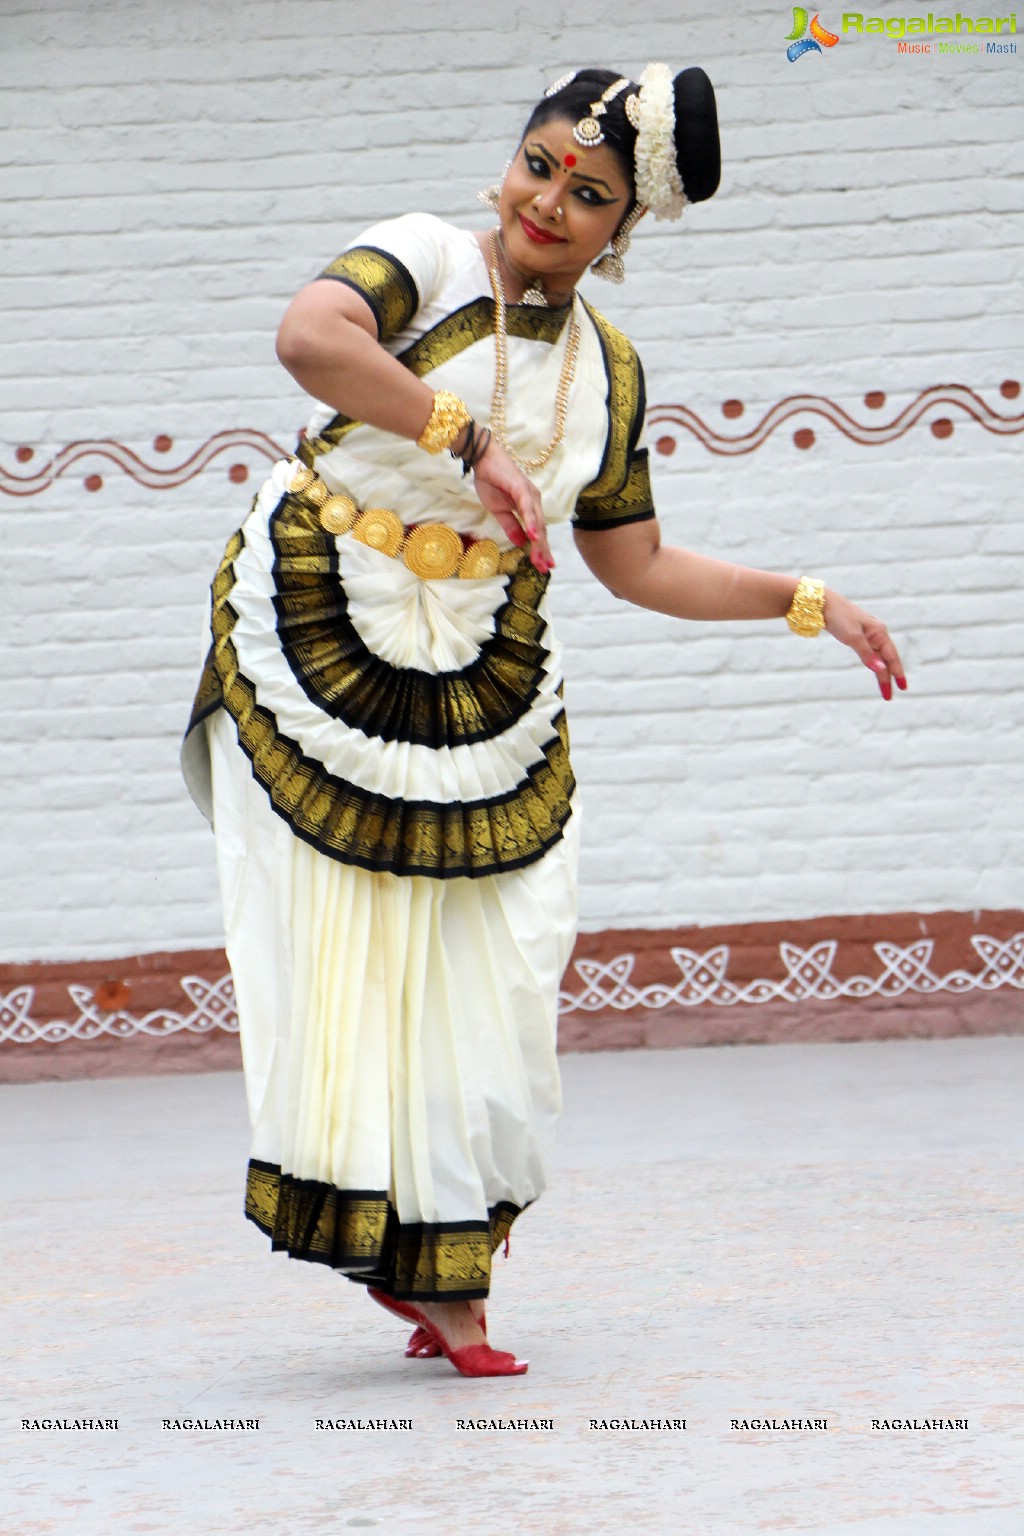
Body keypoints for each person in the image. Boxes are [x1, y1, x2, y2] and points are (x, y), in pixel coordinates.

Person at [181, 63, 906, 1379]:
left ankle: (447, 1234)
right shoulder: (422, 260)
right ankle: (434, 1282)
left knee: (506, 958)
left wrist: (808, 600)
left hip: (483, 659)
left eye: (591, 194)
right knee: (356, 951)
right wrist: (468, 443)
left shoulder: (610, 370)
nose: (549, 202)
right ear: (509, 160)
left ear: (627, 228)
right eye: (540, 165)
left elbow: (635, 564)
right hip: (328, 617)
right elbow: (310, 341)